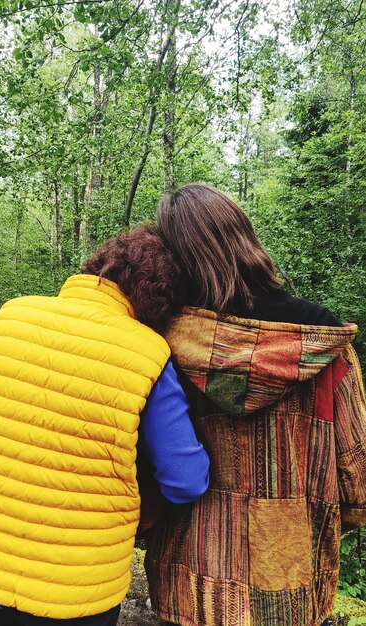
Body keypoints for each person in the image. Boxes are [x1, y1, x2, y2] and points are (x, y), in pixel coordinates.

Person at [0, 224, 210, 626]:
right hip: (76, 597)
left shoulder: (10, 316)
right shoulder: (147, 354)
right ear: (163, 300)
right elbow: (185, 480)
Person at [144, 184, 366, 626]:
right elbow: (357, 471)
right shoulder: (322, 342)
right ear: (245, 239)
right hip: (290, 582)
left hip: (189, 586)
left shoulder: (158, 345)